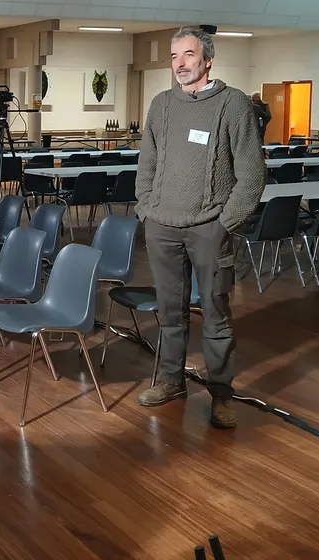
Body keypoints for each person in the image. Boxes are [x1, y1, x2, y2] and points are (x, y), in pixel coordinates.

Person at [135, 26, 266, 429]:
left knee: (216, 315)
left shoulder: (234, 105)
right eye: (174, 57)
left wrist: (223, 224)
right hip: (163, 227)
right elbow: (148, 163)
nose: (180, 64)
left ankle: (221, 395)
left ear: (207, 59)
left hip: (209, 228)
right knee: (170, 314)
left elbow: (252, 175)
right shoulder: (160, 105)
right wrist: (146, 209)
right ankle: (172, 380)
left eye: (188, 55)